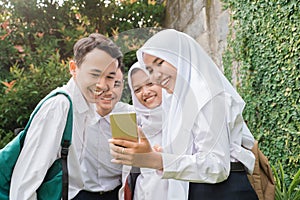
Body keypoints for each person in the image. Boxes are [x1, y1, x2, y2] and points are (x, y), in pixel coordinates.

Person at [109, 29, 258, 200]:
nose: (156, 75)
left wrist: (156, 160)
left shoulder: (208, 96)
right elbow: (198, 151)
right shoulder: (181, 102)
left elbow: (216, 166)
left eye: (160, 62)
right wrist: (159, 152)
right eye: (149, 69)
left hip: (223, 192)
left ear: (181, 56)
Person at [10, 33, 123, 200]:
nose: (102, 85)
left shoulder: (85, 107)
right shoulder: (59, 107)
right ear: (73, 69)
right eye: (94, 74)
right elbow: (24, 186)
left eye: (110, 77)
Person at [73, 66, 135, 200]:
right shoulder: (77, 115)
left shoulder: (130, 116)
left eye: (116, 84)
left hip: (117, 193)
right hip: (80, 193)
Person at [118, 62, 168, 200]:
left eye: (150, 84)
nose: (145, 92)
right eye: (137, 89)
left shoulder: (181, 120)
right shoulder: (137, 125)